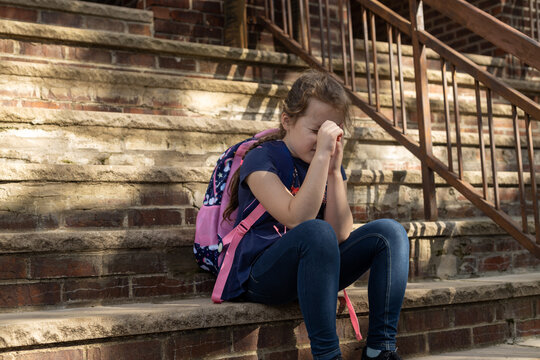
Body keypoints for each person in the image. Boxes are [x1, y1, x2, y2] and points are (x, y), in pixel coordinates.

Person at [221, 70, 410, 360]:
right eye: (315, 131)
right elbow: (297, 218)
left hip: (314, 269)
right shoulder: (262, 159)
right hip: (261, 274)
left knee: (391, 233)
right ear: (287, 121)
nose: (323, 140)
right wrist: (323, 156)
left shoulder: (326, 162)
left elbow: (339, 234)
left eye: (331, 132)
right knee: (315, 231)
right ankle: (327, 355)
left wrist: (334, 170)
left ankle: (380, 350)